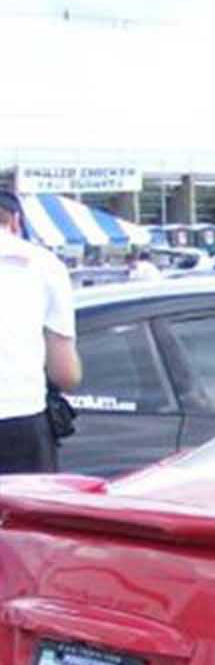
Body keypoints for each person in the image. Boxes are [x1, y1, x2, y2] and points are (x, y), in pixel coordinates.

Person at [0, 189, 80, 474]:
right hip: (20, 420)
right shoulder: (44, 265)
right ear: (16, 221)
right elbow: (65, 374)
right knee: (21, 504)